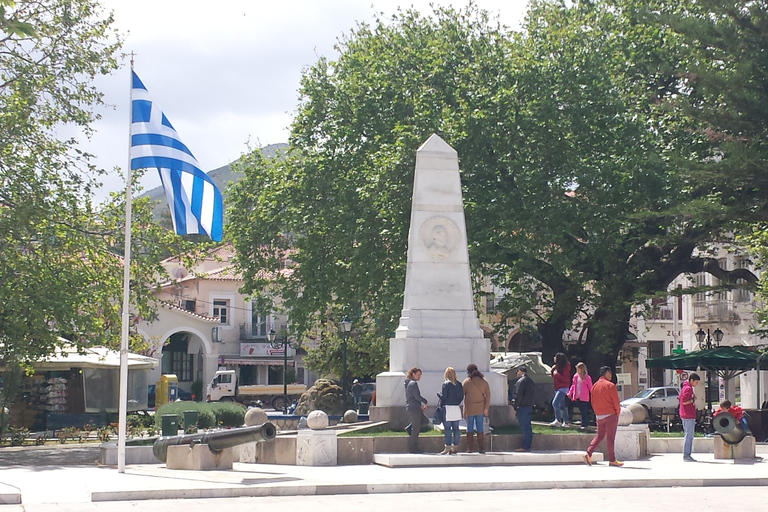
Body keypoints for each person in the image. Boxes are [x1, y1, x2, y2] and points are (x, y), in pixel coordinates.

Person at [583, 366, 623, 467]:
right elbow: (615, 402)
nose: (611, 375)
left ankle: (588, 452)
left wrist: (597, 413)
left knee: (600, 436)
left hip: (599, 415)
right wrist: (617, 412)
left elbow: (592, 402)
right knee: (610, 438)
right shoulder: (610, 385)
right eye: (610, 373)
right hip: (610, 415)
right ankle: (612, 460)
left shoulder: (594, 386)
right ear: (607, 373)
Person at [463, 363, 490, 453]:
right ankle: (481, 448)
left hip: (470, 408)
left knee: (469, 428)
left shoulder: (466, 382)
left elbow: (462, 395)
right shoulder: (484, 381)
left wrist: (464, 411)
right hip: (480, 408)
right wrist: (486, 408)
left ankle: (469, 448)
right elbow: (488, 395)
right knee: (480, 428)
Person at [439, 367, 464, 455]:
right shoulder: (459, 384)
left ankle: (448, 446)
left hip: (448, 408)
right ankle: (455, 446)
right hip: (456, 407)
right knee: (456, 429)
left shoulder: (446, 384)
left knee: (447, 429)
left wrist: (439, 395)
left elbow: (444, 397)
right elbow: (461, 397)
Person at [404, 367, 429, 454]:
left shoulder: (408, 383)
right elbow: (417, 396)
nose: (419, 377)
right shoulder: (413, 383)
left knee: (425, 421)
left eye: (420, 375)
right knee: (416, 429)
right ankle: (413, 448)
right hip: (414, 408)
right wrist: (425, 401)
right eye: (418, 375)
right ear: (413, 374)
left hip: (413, 408)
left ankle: (409, 428)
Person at [679, 373, 701, 462]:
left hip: (684, 413)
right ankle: (687, 455)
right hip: (688, 414)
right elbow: (684, 401)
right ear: (691, 380)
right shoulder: (688, 388)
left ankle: (686, 454)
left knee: (687, 434)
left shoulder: (685, 387)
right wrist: (692, 400)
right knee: (689, 435)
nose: (697, 384)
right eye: (696, 382)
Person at [512, 365, 535, 452]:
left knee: (525, 427)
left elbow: (518, 394)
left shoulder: (521, 381)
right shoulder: (530, 381)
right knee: (528, 426)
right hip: (528, 406)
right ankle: (527, 445)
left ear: (520, 371)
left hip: (522, 407)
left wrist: (516, 405)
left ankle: (525, 446)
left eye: (517, 372)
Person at [569, 362, 593, 429]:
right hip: (577, 396)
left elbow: (590, 387)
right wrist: (570, 393)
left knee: (583, 410)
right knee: (580, 409)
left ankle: (584, 424)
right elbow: (573, 385)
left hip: (584, 397)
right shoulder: (575, 376)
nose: (577, 371)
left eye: (578, 369)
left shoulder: (587, 377)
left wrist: (593, 393)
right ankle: (585, 422)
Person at [550, 352, 571, 427]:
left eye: (556, 357)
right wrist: (553, 370)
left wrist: (557, 374)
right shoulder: (557, 367)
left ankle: (558, 420)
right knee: (562, 406)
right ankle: (566, 422)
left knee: (555, 403)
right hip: (558, 387)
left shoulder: (565, 367)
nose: (554, 358)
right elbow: (554, 376)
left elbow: (565, 379)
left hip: (563, 388)